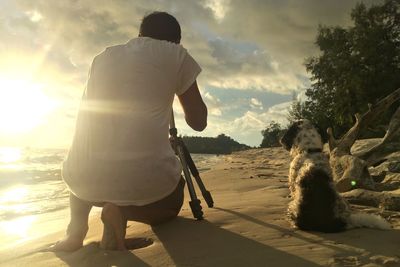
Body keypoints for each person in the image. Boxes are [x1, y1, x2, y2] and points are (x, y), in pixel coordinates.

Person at [51, 11, 207, 251]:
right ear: (176, 41)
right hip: (141, 182)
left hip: (81, 181)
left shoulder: (102, 57)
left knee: (86, 162)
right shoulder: (176, 55)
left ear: (139, 35)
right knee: (173, 200)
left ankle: (75, 232)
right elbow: (198, 122)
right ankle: (121, 212)